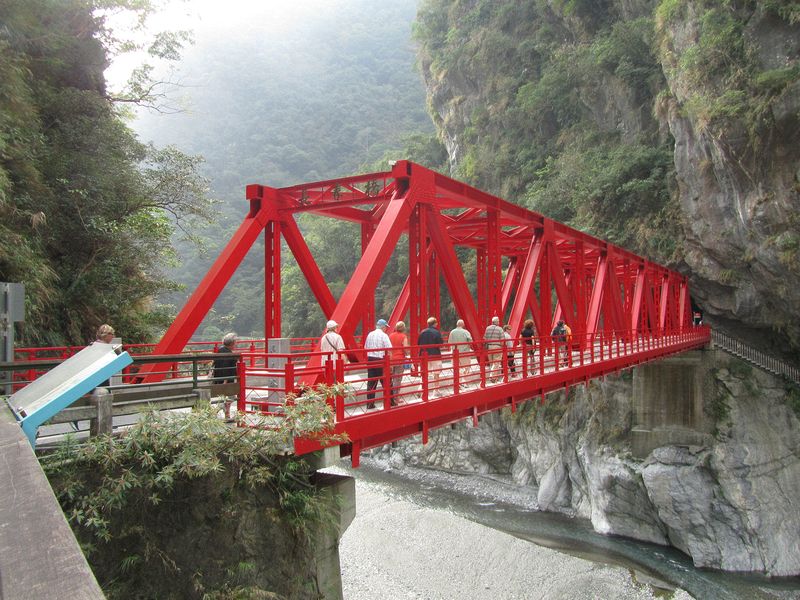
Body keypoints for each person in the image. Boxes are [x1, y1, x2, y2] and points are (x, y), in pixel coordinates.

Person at [364, 319, 392, 409]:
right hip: (380, 360)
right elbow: (389, 349)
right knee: (386, 381)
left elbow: (365, 347)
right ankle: (390, 402)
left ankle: (370, 404)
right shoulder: (384, 335)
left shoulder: (370, 334)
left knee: (371, 382)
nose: (386, 329)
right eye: (386, 327)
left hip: (370, 359)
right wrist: (390, 363)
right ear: (383, 327)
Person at [212, 332, 238, 420]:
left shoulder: (220, 350)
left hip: (218, 378)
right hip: (226, 380)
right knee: (230, 397)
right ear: (232, 343)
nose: (236, 344)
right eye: (235, 342)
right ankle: (217, 412)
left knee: (224, 397)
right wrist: (225, 381)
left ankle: (226, 415)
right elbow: (226, 368)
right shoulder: (229, 354)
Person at [418, 316, 444, 395]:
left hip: (424, 355)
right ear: (435, 324)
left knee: (424, 373)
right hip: (435, 354)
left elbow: (418, 344)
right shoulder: (436, 332)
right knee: (436, 373)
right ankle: (435, 390)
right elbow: (441, 344)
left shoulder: (422, 332)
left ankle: (421, 389)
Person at [388, 321, 410, 405]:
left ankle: (391, 397)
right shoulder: (403, 336)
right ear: (403, 328)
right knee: (398, 379)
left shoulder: (391, 335)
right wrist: (407, 354)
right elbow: (405, 348)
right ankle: (396, 398)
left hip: (391, 359)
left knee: (392, 378)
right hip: (399, 359)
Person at [447, 319, 473, 386]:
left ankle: (458, 382)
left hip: (455, 353)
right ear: (463, 324)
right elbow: (470, 341)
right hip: (464, 352)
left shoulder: (452, 332)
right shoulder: (466, 332)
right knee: (466, 367)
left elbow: (449, 342)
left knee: (456, 368)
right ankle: (464, 381)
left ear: (457, 324)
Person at [483, 316, 504, 382]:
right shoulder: (500, 329)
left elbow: (484, 338)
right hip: (497, 347)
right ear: (497, 322)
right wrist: (502, 346)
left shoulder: (487, 328)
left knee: (492, 363)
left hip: (489, 347)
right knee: (496, 363)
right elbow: (502, 340)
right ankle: (492, 376)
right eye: (498, 321)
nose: (499, 322)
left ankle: (494, 378)